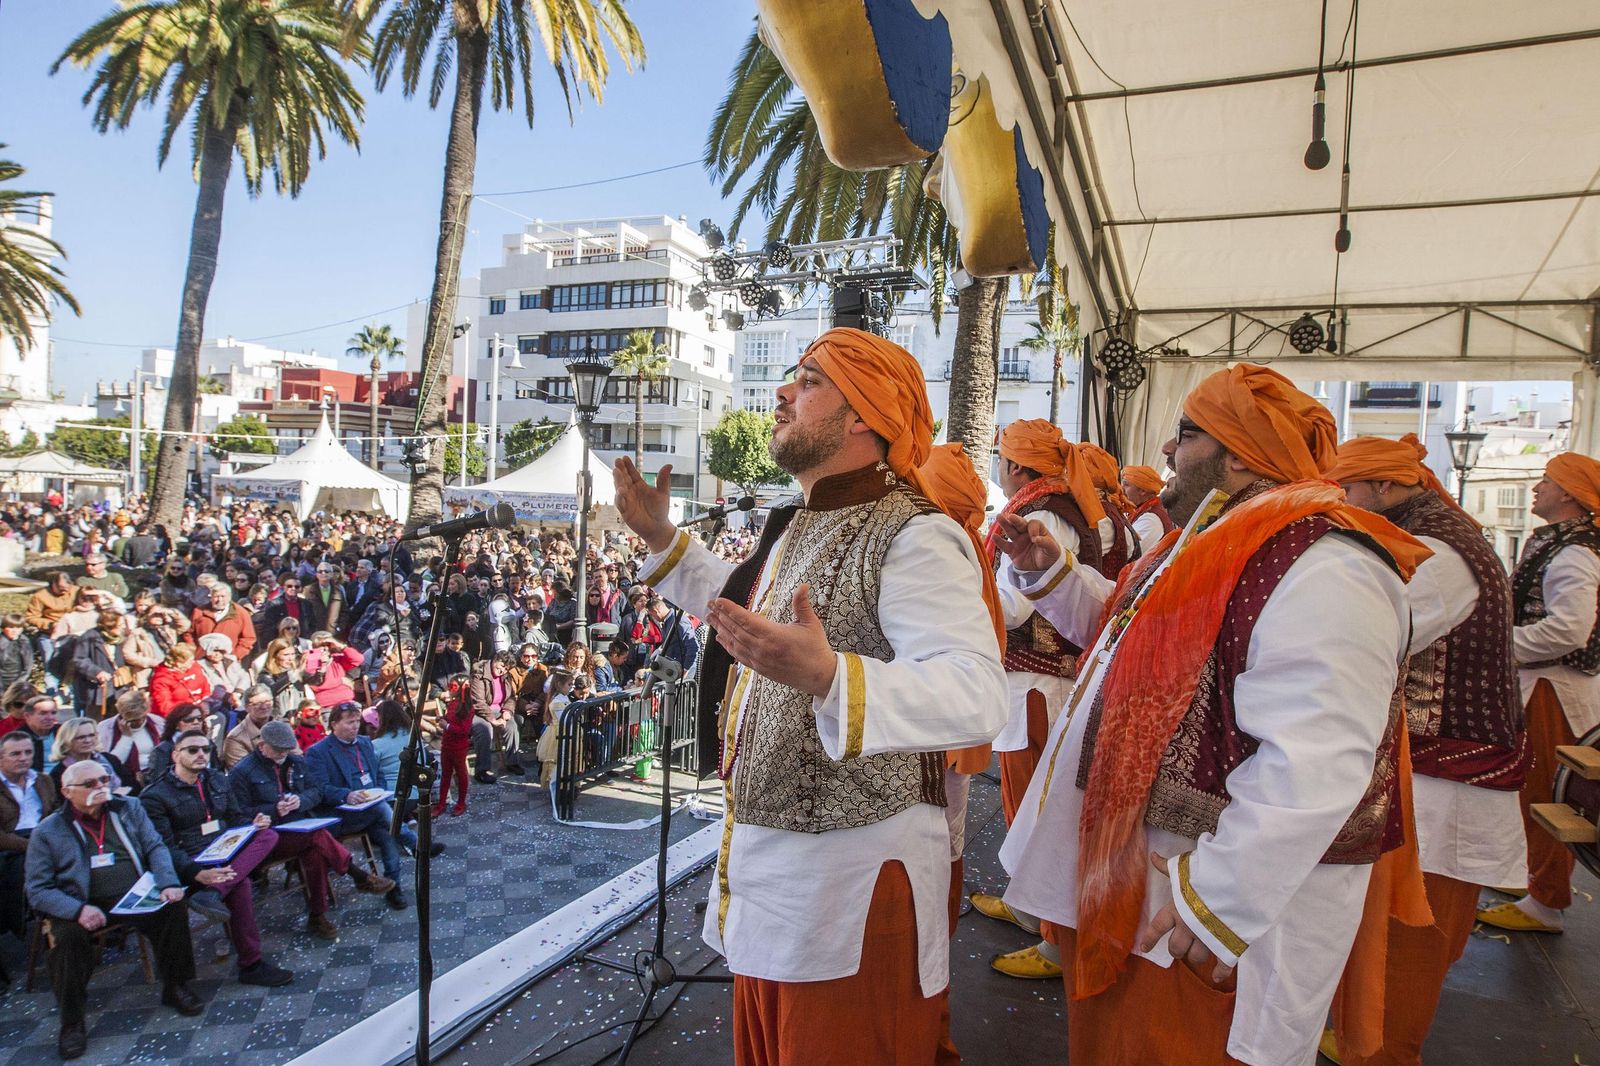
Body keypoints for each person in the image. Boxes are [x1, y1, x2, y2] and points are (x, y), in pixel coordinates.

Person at [991, 363, 1430, 1066]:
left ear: (1240, 455)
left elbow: (1318, 761)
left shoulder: (1327, 564)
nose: (1169, 450)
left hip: (1199, 906)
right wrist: (1052, 574)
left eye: (1187, 434)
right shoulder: (1207, 539)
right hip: (1145, 879)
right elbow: (1122, 643)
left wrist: (1219, 898)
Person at [613, 327, 1006, 1062]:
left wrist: (832, 678)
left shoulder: (916, 535)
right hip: (770, 877)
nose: (783, 392)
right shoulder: (801, 520)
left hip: (852, 893)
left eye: (810, 380)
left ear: (863, 416)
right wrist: (664, 539)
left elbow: (977, 691)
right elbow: (746, 618)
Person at [1323, 433, 1528, 1064]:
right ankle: (1364, 1038)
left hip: (1448, 781)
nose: (1340, 502)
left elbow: (1367, 636)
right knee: (1387, 926)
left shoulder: (1439, 551)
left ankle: (1385, 1052)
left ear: (1385, 487)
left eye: (1347, 490)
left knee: (1411, 934)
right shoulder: (1417, 535)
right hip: (1425, 773)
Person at [968, 419, 1113, 980]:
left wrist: (960, 596)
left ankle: (1054, 939)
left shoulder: (1045, 516)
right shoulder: (1053, 507)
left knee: (1037, 811)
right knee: (1027, 806)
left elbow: (1016, 608)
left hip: (1038, 685)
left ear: (1015, 467)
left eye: (1000, 459)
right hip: (1037, 682)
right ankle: (1032, 911)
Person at [1479, 451, 1600, 936]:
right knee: (1535, 790)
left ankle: (1547, 902)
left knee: (1549, 795)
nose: (1536, 488)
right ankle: (1531, 881)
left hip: (1555, 688)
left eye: (1546, 481)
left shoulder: (1574, 552)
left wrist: (1498, 646)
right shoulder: (1563, 544)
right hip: (1546, 683)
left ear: (1568, 493)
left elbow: (1569, 630)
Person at [26, 760, 203, 1061]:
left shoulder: (128, 807)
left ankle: (176, 985)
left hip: (133, 893)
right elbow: (38, 889)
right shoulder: (49, 830)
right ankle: (72, 1021)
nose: (100, 787)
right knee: (66, 940)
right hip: (81, 902)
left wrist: (168, 882)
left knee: (173, 908)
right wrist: (77, 910)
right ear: (67, 792)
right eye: (90, 784)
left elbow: (155, 846)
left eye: (104, 780)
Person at [138, 735, 294, 987]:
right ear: (175, 755)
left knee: (267, 835)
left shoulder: (217, 779)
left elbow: (234, 818)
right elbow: (162, 848)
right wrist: (196, 872)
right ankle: (251, 964)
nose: (201, 754)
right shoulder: (155, 796)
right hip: (190, 858)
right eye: (192, 750)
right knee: (240, 884)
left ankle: (214, 891)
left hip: (224, 849)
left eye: (206, 749)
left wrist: (252, 823)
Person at [228, 719, 395, 940]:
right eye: (278, 750)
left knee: (315, 851)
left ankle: (318, 915)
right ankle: (358, 876)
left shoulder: (296, 762)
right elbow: (237, 813)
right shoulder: (242, 772)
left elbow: (316, 792)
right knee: (317, 837)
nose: (282, 755)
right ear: (262, 746)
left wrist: (301, 801)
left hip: (300, 827)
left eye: (286, 750)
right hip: (267, 836)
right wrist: (272, 810)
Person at [304, 702, 439, 910]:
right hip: (343, 813)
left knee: (388, 834)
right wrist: (346, 795)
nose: (355, 726)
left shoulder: (366, 743)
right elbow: (319, 788)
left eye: (357, 721)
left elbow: (378, 774)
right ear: (334, 724)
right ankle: (415, 843)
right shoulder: (318, 752)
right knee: (384, 813)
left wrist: (379, 792)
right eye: (349, 722)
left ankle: (394, 887)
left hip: (372, 808)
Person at [1, 730, 57, 950]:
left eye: (28, 752)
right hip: (13, 846)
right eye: (15, 754)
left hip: (45, 838)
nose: (23, 758)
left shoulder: (43, 780)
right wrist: (34, 846)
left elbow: (56, 814)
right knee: (31, 871)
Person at [469, 651, 525, 782]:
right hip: (479, 712)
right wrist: (493, 719)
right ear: (495, 660)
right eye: (501, 666)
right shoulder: (479, 674)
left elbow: (511, 697)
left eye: (506, 669)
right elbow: (478, 702)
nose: (502, 671)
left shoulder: (506, 676)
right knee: (484, 730)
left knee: (512, 727)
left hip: (499, 710)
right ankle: (481, 770)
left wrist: (507, 711)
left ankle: (512, 762)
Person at [48, 716, 132, 796]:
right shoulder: (58, 773)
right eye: (81, 737)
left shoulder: (110, 759)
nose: (88, 740)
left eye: (91, 735)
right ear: (67, 741)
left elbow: (132, 786)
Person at [98, 689, 163, 787]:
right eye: (133, 720)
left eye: (143, 717)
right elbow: (112, 763)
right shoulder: (105, 728)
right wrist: (126, 737)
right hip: (123, 779)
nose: (140, 722)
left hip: (155, 775)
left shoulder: (157, 722)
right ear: (122, 715)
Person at [143, 703, 215, 786]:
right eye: (188, 719)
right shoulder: (163, 750)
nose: (196, 722)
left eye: (199, 718)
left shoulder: (209, 744)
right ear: (176, 725)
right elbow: (157, 783)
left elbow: (216, 771)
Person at [434, 680, 473, 818]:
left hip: (459, 747)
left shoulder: (467, 708)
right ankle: (441, 803)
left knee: (461, 774)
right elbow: (450, 719)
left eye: (453, 687)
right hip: (447, 744)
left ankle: (461, 803)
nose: (449, 690)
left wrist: (447, 726)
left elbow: (464, 730)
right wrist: (442, 718)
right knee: (445, 774)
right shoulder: (452, 704)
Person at [188, 583, 256, 662]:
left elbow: (248, 638)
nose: (219, 600)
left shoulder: (240, 613)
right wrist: (194, 651)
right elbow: (189, 634)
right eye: (216, 596)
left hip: (228, 660)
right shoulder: (199, 612)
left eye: (223, 596)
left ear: (229, 597)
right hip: (201, 659)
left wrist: (235, 655)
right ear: (210, 597)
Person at [1121, 464, 1175, 555]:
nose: (1121, 489)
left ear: (1143, 491)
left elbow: (1127, 554)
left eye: (1126, 485)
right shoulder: (1144, 510)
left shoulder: (1151, 519)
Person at [304, 630, 365, 709]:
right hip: (327, 705)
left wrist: (342, 646)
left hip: (348, 701)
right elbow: (317, 685)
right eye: (320, 645)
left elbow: (358, 659)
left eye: (328, 644)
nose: (325, 648)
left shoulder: (336, 659)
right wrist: (341, 680)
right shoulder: (310, 663)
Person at [149, 642, 210, 719]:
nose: (193, 662)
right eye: (190, 661)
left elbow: (205, 687)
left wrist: (205, 702)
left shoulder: (194, 667)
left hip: (199, 710)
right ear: (178, 663)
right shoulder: (161, 679)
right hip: (178, 716)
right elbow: (165, 707)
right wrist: (188, 714)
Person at [223, 686, 277, 768]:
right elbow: (243, 772)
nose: (264, 707)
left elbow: (295, 757)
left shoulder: (284, 728)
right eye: (257, 704)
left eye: (267, 701)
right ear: (246, 708)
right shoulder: (235, 738)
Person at [301, 559, 348, 638]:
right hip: (314, 632)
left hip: (332, 633)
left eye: (326, 571)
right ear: (316, 574)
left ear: (331, 574)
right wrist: (308, 629)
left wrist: (339, 628)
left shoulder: (338, 591)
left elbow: (344, 612)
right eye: (320, 571)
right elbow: (303, 611)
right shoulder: (308, 590)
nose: (323, 573)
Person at [0, 612, 35, 694]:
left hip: (18, 680)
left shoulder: (24, 641)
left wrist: (18, 683)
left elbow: (28, 666)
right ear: (3, 628)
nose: (15, 631)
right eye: (11, 627)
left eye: (19, 628)